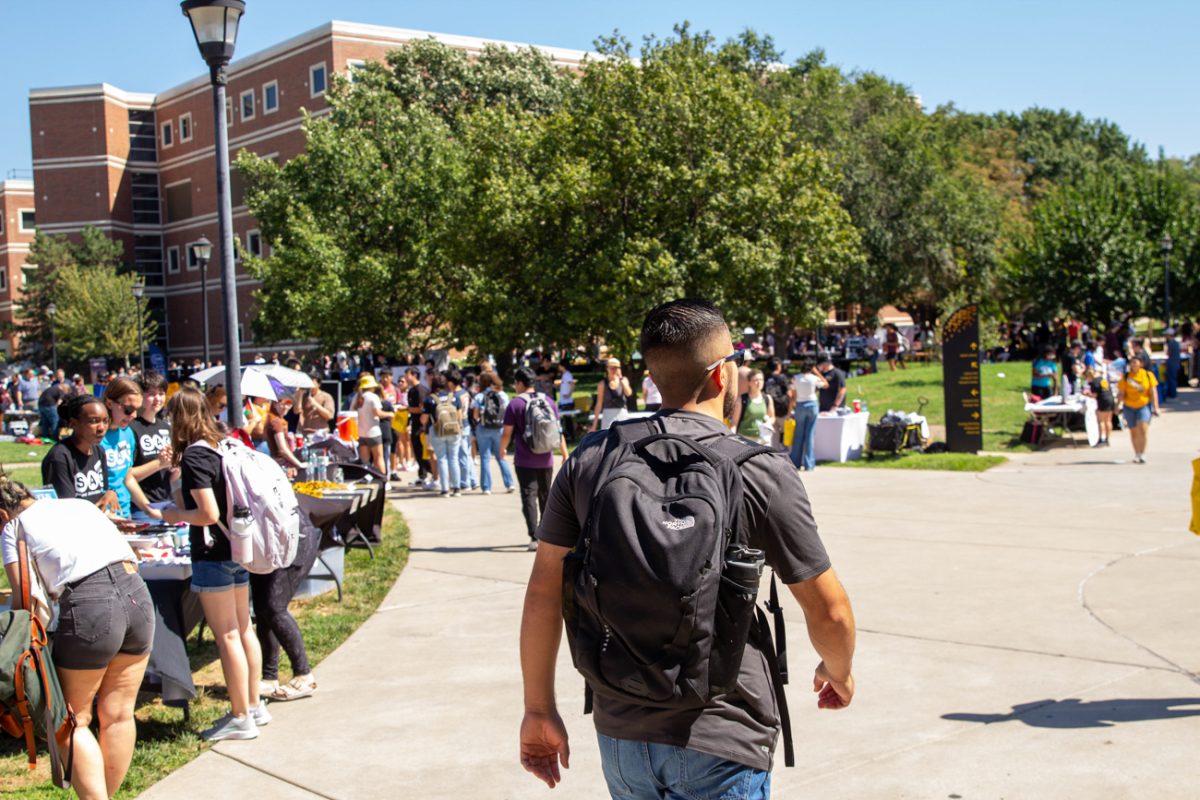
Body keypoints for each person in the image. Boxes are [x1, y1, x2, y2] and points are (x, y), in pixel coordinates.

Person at [519, 298, 856, 797]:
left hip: (622, 732)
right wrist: (839, 670)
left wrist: (539, 710)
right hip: (724, 734)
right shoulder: (756, 469)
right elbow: (830, 612)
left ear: (654, 376)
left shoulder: (592, 461)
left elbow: (545, 594)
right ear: (722, 376)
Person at [1, 480, 155, 799]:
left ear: (2, 513)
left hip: (90, 606)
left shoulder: (13, 528)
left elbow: (23, 602)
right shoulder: (79, 505)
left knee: (71, 722)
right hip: (137, 595)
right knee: (119, 713)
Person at [161, 387, 268, 740]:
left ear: (179, 418)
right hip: (238, 547)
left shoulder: (195, 456)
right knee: (243, 629)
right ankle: (254, 706)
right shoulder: (220, 446)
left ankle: (240, 718)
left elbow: (207, 513)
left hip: (212, 554)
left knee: (226, 637)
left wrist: (174, 514)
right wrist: (177, 480)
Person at [500, 367, 569, 549]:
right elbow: (558, 429)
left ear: (521, 383)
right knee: (546, 496)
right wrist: (564, 453)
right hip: (546, 458)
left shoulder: (515, 404)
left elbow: (507, 432)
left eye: (515, 383)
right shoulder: (548, 401)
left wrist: (502, 449)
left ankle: (534, 537)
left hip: (524, 460)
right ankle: (548, 536)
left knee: (528, 497)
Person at [40, 394, 119, 512]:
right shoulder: (59, 458)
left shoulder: (99, 451)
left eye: (106, 421)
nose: (102, 427)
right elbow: (66, 510)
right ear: (73, 423)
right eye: (94, 421)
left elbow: (101, 493)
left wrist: (110, 493)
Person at [101, 378, 158, 520]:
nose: (133, 415)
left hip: (125, 514)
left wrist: (150, 510)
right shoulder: (96, 438)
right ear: (109, 403)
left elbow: (127, 477)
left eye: (137, 410)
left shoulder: (127, 434)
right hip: (102, 516)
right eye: (128, 409)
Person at [128, 372, 174, 518]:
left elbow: (169, 476)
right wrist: (159, 463)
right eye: (152, 394)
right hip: (140, 507)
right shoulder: (130, 428)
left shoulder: (165, 427)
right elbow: (126, 475)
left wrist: (175, 468)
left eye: (161, 393)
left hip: (167, 503)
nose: (158, 399)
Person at [472, 370, 515, 495]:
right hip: (499, 428)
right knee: (501, 456)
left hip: (484, 428)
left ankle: (486, 487)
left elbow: (475, 416)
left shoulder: (480, 396)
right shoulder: (503, 395)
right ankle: (509, 483)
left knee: (485, 458)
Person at [421, 373, 464, 496]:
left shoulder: (430, 399)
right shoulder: (454, 397)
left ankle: (445, 489)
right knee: (454, 458)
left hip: (437, 431)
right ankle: (457, 488)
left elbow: (424, 419)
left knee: (442, 459)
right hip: (454, 431)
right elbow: (460, 416)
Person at [1117, 353, 1159, 464]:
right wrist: (1117, 405)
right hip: (1129, 406)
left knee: (1143, 429)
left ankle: (1143, 453)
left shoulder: (1148, 375)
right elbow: (1121, 393)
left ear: (1141, 364)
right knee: (1133, 431)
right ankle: (1137, 453)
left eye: (1135, 362)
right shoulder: (1126, 377)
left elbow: (1153, 392)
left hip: (1143, 405)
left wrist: (1156, 407)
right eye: (1132, 362)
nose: (1133, 364)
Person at [789, 359, 827, 471]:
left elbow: (793, 394)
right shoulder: (814, 378)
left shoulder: (796, 378)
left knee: (798, 435)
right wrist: (817, 373)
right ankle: (809, 464)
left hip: (800, 405)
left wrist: (791, 408)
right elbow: (825, 384)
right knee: (810, 435)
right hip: (812, 404)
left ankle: (795, 462)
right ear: (811, 368)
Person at [354, 374, 392, 475]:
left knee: (365, 461)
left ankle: (366, 478)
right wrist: (390, 414)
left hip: (361, 432)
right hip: (373, 432)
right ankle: (383, 481)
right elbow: (378, 413)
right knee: (378, 458)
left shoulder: (357, 398)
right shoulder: (373, 397)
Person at [448, 371, 477, 492]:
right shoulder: (466, 392)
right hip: (467, 424)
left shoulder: (455, 395)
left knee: (462, 455)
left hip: (460, 425)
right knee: (467, 454)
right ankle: (472, 480)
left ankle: (465, 482)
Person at [405, 368, 433, 487]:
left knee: (423, 451)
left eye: (407, 375)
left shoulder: (421, 390)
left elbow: (422, 408)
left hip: (422, 425)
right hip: (415, 423)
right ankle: (422, 475)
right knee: (417, 450)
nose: (406, 378)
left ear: (414, 375)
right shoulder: (411, 390)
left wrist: (406, 409)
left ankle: (433, 473)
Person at [589, 358, 632, 431]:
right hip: (608, 414)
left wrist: (621, 378)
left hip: (622, 412)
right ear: (607, 368)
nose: (613, 370)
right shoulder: (602, 384)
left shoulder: (624, 380)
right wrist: (594, 424)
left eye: (616, 368)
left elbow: (628, 393)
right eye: (611, 368)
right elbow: (599, 404)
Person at [1084, 367, 1114, 447]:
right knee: (1108, 420)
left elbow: (1094, 395)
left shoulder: (1094, 382)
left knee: (1101, 421)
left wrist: (1087, 394)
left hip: (1103, 401)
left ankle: (1101, 439)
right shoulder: (1102, 379)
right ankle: (1107, 439)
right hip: (1110, 399)